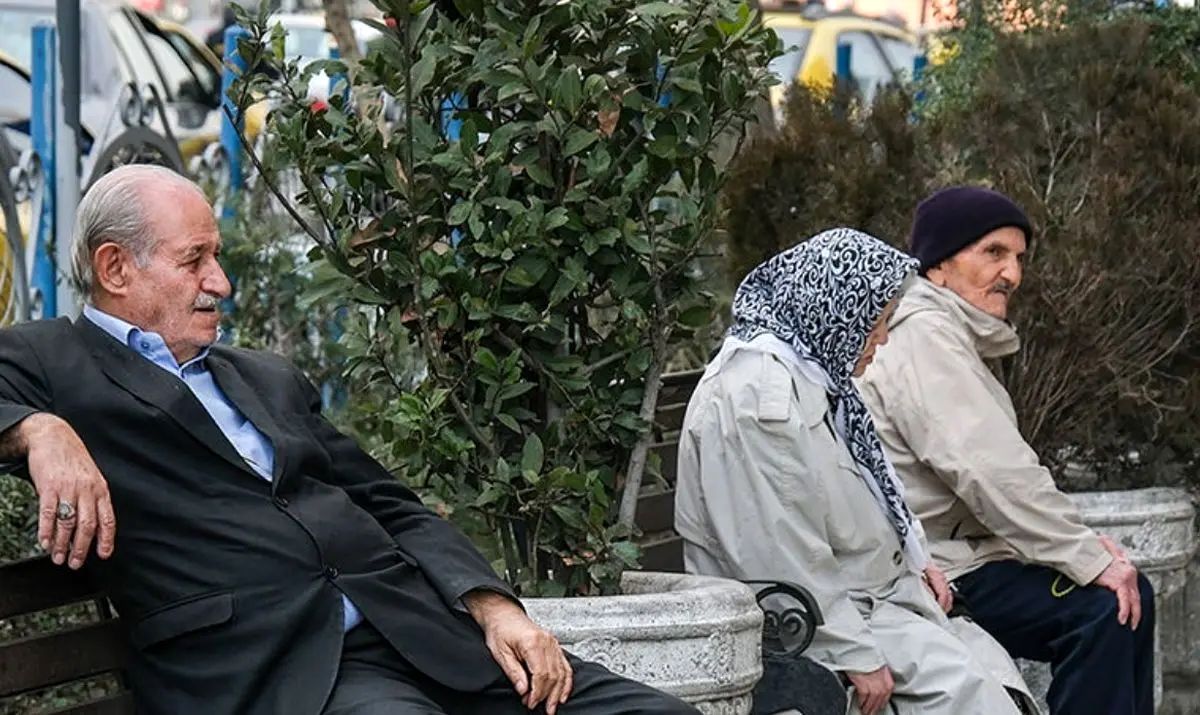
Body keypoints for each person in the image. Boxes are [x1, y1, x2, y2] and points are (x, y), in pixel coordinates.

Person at [0, 165, 697, 715]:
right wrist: (40, 428)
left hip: (425, 636)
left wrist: (496, 607)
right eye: (195, 260)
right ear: (116, 268)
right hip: (280, 670)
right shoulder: (57, 361)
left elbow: (392, 506)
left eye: (217, 256)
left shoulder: (265, 377)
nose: (222, 282)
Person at [674, 228, 1025, 715]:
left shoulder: (809, 372)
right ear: (835, 312)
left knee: (997, 678)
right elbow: (778, 549)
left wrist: (917, 559)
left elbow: (864, 494)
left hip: (866, 599)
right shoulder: (758, 399)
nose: (882, 339)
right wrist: (852, 651)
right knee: (976, 695)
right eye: (876, 322)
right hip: (819, 620)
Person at [858, 186, 1155, 715]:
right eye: (993, 252)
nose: (1012, 274)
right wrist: (1086, 557)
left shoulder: (947, 332)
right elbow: (991, 471)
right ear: (937, 266)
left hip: (965, 557)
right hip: (937, 570)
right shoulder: (926, 337)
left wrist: (1085, 549)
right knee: (1104, 607)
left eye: (1019, 258)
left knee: (1124, 600)